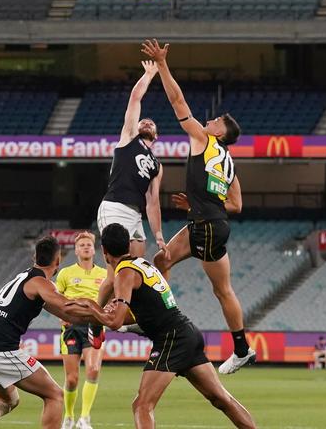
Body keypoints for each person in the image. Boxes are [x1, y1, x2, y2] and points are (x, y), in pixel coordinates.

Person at [141, 39, 254, 375]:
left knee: (221, 290)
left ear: (221, 132)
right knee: (162, 259)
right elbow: (236, 204)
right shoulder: (229, 162)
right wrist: (200, 201)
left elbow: (177, 101)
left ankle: (235, 346)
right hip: (209, 222)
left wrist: (162, 64)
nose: (211, 120)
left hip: (205, 225)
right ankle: (156, 319)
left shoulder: (205, 140)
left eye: (217, 120)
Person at [89, 223, 256, 429]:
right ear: (128, 246)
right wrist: (118, 316)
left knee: (142, 405)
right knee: (221, 399)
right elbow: (146, 310)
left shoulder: (124, 273)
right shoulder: (142, 264)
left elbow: (114, 322)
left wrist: (92, 310)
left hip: (171, 338)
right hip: (186, 331)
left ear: (104, 251)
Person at [0, 236, 107, 429]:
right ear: (58, 260)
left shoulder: (24, 277)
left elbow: (69, 315)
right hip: (1, 353)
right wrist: (100, 311)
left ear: (35, 257)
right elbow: (66, 306)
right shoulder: (41, 283)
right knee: (56, 395)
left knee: (8, 402)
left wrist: (94, 317)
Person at [96, 60, 169, 308]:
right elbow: (135, 99)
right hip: (115, 206)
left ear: (156, 136)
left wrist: (158, 235)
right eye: (143, 122)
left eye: (151, 123)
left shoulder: (157, 165)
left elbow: (153, 202)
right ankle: (95, 320)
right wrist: (149, 75)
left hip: (136, 215)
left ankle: (127, 312)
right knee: (114, 269)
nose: (146, 122)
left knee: (136, 268)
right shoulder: (128, 138)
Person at [56, 231, 107, 429]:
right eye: (82, 245)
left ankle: (84, 418)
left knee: (93, 370)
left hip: (94, 325)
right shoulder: (65, 273)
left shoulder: (103, 275)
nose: (85, 247)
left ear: (93, 250)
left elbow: (110, 300)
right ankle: (68, 416)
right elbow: (55, 299)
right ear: (76, 250)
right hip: (71, 328)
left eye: (88, 245)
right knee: (72, 378)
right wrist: (63, 317)